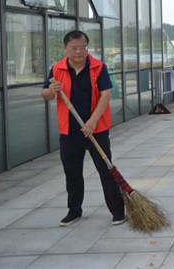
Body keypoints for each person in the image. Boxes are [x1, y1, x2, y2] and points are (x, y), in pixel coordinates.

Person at [41, 30, 125, 227]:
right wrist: (49, 91)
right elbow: (45, 94)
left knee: (106, 170)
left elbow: (105, 95)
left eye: (83, 47)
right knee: (72, 173)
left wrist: (93, 121)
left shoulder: (98, 67)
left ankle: (117, 211)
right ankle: (74, 211)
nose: (79, 51)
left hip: (96, 129)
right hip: (69, 132)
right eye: (74, 48)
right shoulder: (57, 69)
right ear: (65, 49)